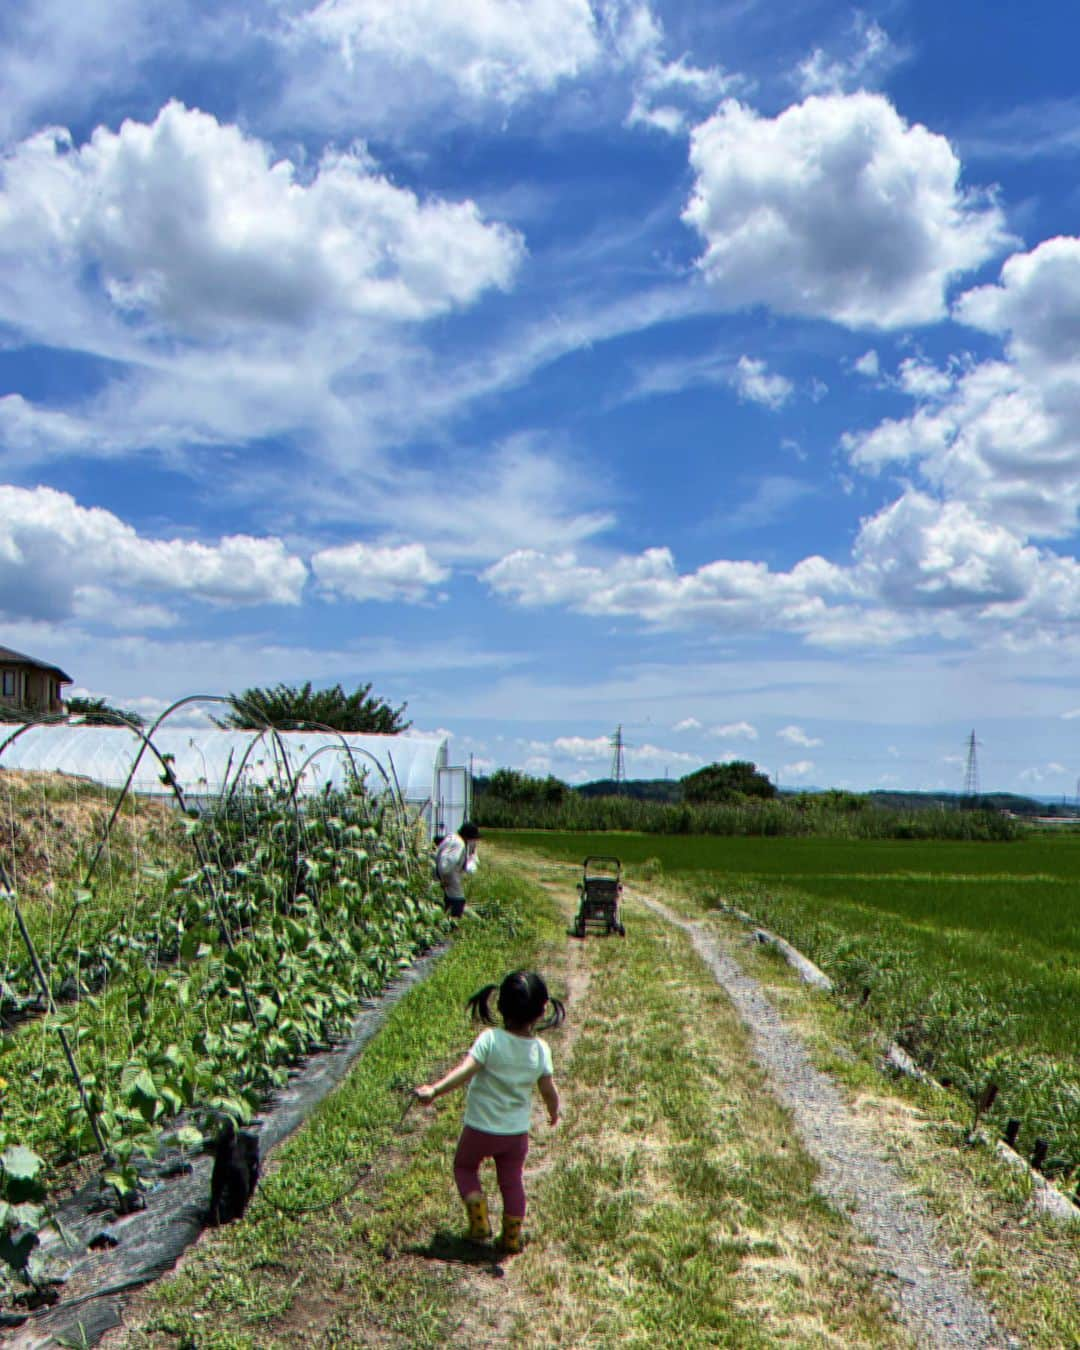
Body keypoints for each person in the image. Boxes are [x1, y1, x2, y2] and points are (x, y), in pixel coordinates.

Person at [414, 970, 564, 1254]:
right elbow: (548, 1090)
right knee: (511, 1182)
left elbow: (465, 1072)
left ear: (499, 1005)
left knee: (464, 1167)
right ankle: (510, 1237)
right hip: (515, 1134)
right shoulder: (541, 1050)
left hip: (479, 1129)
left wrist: (434, 1090)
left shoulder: (490, 1039)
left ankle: (479, 1220)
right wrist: (554, 1112)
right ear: (543, 1010)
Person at [434, 820, 480, 919]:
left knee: (449, 901)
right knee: (458, 902)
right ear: (468, 836)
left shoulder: (452, 839)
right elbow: (446, 865)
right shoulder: (459, 844)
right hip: (449, 879)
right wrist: (444, 880)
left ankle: (447, 921)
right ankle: (452, 925)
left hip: (445, 878)